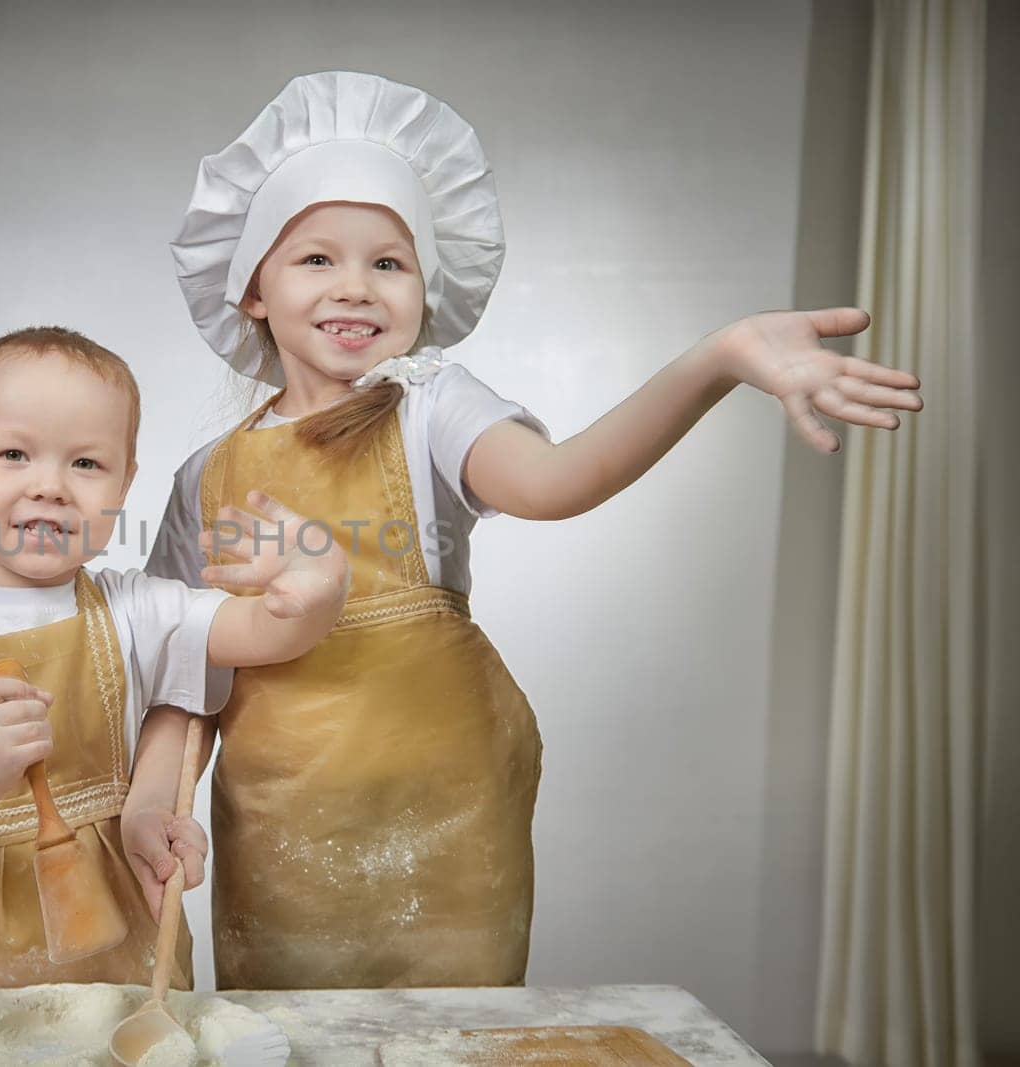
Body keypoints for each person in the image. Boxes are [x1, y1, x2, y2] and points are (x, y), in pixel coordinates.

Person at [138, 71, 923, 989]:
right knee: (290, 1036)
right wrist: (153, 799)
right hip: (280, 827)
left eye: (388, 263)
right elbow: (183, 671)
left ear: (425, 293)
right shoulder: (208, 479)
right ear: (252, 291)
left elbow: (560, 481)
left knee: (450, 1037)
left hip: (448, 805)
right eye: (316, 258)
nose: (355, 286)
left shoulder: (429, 407)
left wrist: (719, 359)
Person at [0, 325, 349, 994]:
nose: (50, 486)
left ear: (125, 483)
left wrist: (320, 574)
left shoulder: (136, 611)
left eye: (86, 464)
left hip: (115, 966)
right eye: (13, 453)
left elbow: (270, 631)